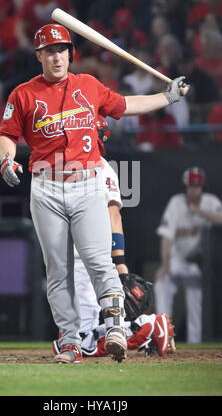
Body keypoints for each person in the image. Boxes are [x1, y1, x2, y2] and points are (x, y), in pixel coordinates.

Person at [0, 23, 189, 363]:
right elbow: (7, 134)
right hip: (46, 186)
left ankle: (115, 329)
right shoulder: (23, 94)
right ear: (39, 55)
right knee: (58, 271)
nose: (57, 56)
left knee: (100, 263)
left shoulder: (88, 85)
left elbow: (126, 105)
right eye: (50, 50)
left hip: (87, 183)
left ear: (71, 53)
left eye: (63, 50)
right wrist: (7, 159)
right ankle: (70, 341)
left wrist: (168, 96)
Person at [52, 117, 176, 359]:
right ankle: (147, 325)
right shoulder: (70, 165)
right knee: (71, 338)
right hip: (73, 258)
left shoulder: (101, 167)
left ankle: (148, 327)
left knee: (81, 342)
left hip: (88, 259)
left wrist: (118, 260)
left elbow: (113, 213)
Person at [154, 167, 222, 343]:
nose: (193, 190)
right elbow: (166, 237)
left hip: (196, 264)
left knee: (195, 302)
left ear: (202, 187)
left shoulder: (210, 202)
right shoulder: (176, 203)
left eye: (197, 186)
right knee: (162, 284)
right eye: (190, 186)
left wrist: (200, 213)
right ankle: (162, 336)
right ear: (185, 187)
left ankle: (195, 344)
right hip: (176, 261)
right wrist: (165, 266)